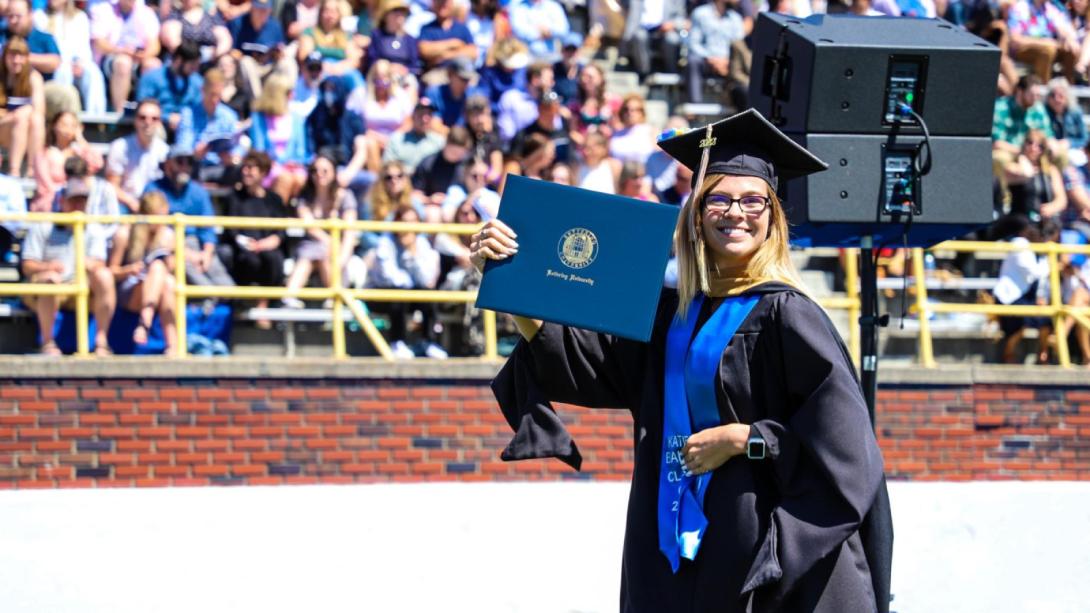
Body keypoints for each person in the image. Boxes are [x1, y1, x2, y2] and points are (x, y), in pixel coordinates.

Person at [470, 108, 891, 611]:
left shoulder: (788, 315)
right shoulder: (673, 312)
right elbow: (590, 367)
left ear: (773, 218)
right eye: (719, 198)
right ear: (696, 212)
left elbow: (846, 450)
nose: (736, 212)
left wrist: (748, 439)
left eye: (753, 200)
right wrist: (512, 282)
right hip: (671, 551)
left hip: (759, 551)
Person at [21, 176, 116, 356]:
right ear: (61, 200)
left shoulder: (93, 228)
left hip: (80, 287)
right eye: (74, 200)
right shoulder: (43, 225)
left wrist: (92, 265)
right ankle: (47, 343)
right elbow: (27, 265)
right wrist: (47, 267)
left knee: (104, 275)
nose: (78, 206)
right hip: (46, 285)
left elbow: (100, 262)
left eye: (82, 201)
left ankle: (101, 342)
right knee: (51, 280)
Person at [145, 144, 235, 288]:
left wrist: (206, 254)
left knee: (219, 274)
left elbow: (208, 230)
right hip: (166, 246)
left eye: (189, 162)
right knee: (182, 263)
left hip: (195, 244)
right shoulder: (154, 190)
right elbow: (155, 230)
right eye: (180, 161)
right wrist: (188, 254)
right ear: (168, 164)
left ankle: (233, 298)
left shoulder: (199, 192)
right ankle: (210, 297)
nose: (185, 166)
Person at [364, 205, 444, 358]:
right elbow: (388, 277)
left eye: (412, 222)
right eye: (405, 221)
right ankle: (397, 341)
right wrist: (410, 284)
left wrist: (412, 253)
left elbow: (426, 279)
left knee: (428, 295)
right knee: (398, 293)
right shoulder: (385, 242)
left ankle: (429, 342)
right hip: (379, 295)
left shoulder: (421, 243)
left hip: (407, 293)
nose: (408, 227)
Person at [283, 154, 359, 306]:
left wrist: (341, 258)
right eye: (315, 171)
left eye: (325, 171)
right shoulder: (305, 198)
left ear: (334, 172)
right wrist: (330, 242)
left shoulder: (345, 197)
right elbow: (311, 227)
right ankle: (333, 298)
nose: (319, 175)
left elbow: (350, 232)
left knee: (320, 253)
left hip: (338, 249)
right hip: (314, 246)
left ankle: (291, 294)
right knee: (314, 252)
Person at [108, 190, 178, 353]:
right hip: (130, 290)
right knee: (159, 273)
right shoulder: (125, 233)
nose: (161, 222)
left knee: (165, 278)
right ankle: (149, 327)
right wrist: (129, 270)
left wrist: (169, 260)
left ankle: (170, 345)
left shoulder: (168, 235)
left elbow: (173, 270)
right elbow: (112, 271)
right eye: (157, 217)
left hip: (157, 287)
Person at [220, 150, 286, 317]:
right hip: (243, 249)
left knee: (273, 258)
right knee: (248, 260)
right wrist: (249, 244)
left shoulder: (274, 200)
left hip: (266, 248)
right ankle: (243, 302)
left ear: (263, 172)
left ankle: (263, 305)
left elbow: (280, 232)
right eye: (245, 167)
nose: (246, 172)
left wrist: (263, 245)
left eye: (251, 168)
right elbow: (232, 230)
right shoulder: (234, 197)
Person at [32, 0, 108, 114]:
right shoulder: (39, 16)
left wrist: (79, 62)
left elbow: (83, 48)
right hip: (55, 65)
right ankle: (62, 114)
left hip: (77, 62)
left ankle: (96, 116)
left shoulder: (80, 17)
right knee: (64, 71)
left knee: (93, 73)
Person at [89, 0, 162, 112]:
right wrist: (121, 50)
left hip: (138, 57)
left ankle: (147, 110)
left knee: (153, 64)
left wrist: (143, 55)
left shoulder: (146, 13)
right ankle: (119, 112)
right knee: (124, 63)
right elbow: (99, 43)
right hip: (111, 56)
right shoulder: (103, 10)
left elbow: (155, 45)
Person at [175, 68, 246, 183]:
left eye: (218, 95)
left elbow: (237, 145)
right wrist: (195, 153)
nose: (215, 100)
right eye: (212, 94)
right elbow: (183, 146)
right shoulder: (188, 114)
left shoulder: (229, 115)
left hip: (222, 166)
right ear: (203, 90)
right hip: (197, 166)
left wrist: (233, 157)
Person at [105, 98, 168, 213]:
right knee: (121, 229)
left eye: (154, 119)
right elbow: (112, 186)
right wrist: (131, 202)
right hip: (125, 205)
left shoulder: (164, 151)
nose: (148, 122)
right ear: (135, 120)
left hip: (155, 207)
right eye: (142, 117)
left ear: (159, 122)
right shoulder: (119, 147)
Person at [0, 36, 45, 178]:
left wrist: (22, 113)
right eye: (12, 56)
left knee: (35, 120)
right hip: (4, 128)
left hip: (26, 129)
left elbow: (39, 111)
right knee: (21, 118)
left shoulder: (33, 77)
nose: (16, 61)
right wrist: (15, 115)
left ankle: (32, 168)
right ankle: (14, 170)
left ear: (27, 58)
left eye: (20, 56)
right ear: (5, 57)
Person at [135, 40, 203, 133]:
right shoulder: (152, 78)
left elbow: (199, 107)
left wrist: (184, 118)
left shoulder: (197, 81)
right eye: (192, 66)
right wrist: (166, 117)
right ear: (179, 61)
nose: (195, 69)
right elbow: (143, 105)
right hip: (158, 122)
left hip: (186, 125)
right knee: (154, 130)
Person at [296, 0, 364, 88]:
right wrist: (323, 66)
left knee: (355, 80)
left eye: (333, 12)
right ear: (320, 13)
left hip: (342, 71)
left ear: (339, 14)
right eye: (326, 11)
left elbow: (354, 60)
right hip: (317, 70)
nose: (330, 15)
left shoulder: (346, 35)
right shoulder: (310, 32)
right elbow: (304, 55)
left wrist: (338, 67)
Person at [411, 125, 471, 220]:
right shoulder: (428, 163)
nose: (457, 156)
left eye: (460, 153)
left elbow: (478, 189)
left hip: (463, 208)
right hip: (433, 208)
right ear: (446, 144)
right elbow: (414, 194)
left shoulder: (469, 164)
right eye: (453, 152)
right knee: (434, 214)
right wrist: (429, 200)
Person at [383, 96, 446, 171]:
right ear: (413, 116)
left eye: (429, 114)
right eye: (421, 114)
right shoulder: (397, 139)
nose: (425, 119)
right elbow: (386, 167)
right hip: (403, 180)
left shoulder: (439, 142)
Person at [417, 0, 478, 74]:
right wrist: (453, 44)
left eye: (445, 3)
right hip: (437, 73)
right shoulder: (427, 29)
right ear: (434, 4)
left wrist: (446, 56)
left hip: (461, 73)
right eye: (439, 2)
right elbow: (424, 50)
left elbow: (473, 53)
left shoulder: (462, 28)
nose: (442, 6)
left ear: (451, 4)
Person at [159, 0, 233, 60]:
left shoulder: (212, 17)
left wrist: (216, 54)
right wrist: (192, 57)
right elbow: (172, 41)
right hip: (183, 58)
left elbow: (225, 39)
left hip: (210, 58)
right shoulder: (175, 16)